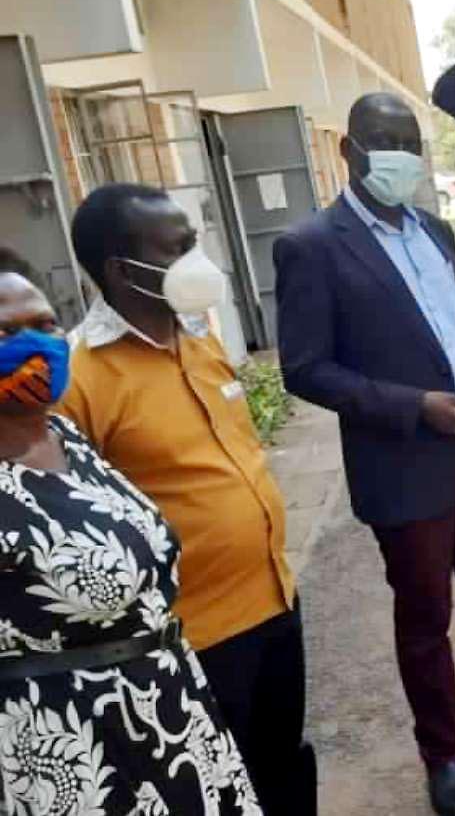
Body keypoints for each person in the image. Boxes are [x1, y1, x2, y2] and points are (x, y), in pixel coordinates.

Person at [274, 93, 455, 816]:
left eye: (410, 140)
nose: (399, 153)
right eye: (383, 140)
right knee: (424, 617)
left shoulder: (434, 229)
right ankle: (443, 754)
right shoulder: (311, 245)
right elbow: (305, 369)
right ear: (348, 151)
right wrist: (414, 407)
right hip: (405, 460)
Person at [60, 185, 314, 815]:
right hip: (188, 636)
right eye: (178, 248)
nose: (197, 260)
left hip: (275, 600)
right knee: (214, 787)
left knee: (282, 765)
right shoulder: (80, 377)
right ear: (122, 270)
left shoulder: (197, 339)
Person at [0, 251, 262, 815]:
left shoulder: (67, 437)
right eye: (5, 331)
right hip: (69, 748)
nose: (35, 345)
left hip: (173, 718)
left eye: (44, 325)